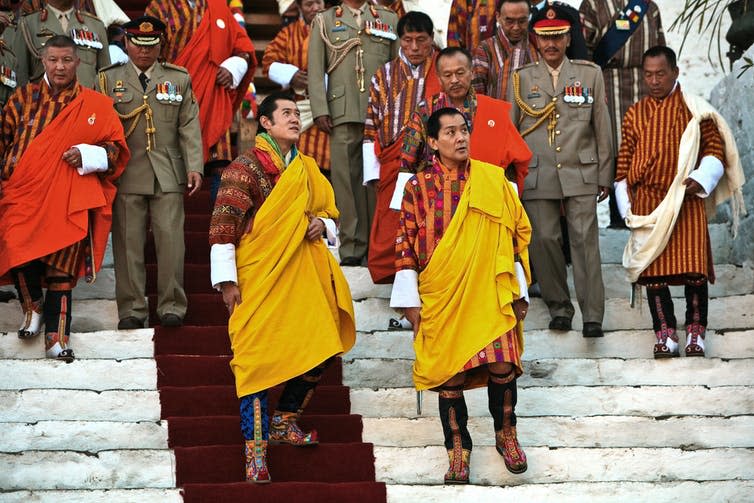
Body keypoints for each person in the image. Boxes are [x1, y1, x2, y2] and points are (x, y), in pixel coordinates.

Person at [209, 92, 355, 483]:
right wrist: (227, 282)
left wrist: (323, 226)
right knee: (255, 363)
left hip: (301, 275)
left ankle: (285, 420)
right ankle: (254, 452)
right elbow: (224, 224)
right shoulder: (244, 168)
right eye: (285, 113)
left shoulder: (306, 168)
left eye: (296, 113)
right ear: (266, 124)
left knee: (322, 347)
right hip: (258, 276)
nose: (294, 118)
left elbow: (329, 211)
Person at [391, 107, 531, 482]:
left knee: (502, 363)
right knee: (449, 376)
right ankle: (457, 449)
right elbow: (404, 242)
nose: (461, 137)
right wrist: (409, 301)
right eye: (450, 132)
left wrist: (518, 288)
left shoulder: (493, 179)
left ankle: (507, 435)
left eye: (464, 130)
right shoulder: (415, 186)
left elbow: (514, 236)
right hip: (440, 292)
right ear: (433, 143)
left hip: (489, 289)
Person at [0, 35, 129, 361]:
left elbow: (116, 151)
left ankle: (57, 339)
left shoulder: (95, 105)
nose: (60, 66)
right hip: (22, 195)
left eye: (66, 60)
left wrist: (89, 154)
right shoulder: (21, 98)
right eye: (54, 60)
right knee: (17, 248)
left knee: (61, 269)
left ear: (78, 62)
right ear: (43, 61)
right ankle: (33, 307)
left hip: (69, 197)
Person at [615, 46, 745, 358]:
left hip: (685, 200)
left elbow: (714, 149)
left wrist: (701, 177)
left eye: (661, 73)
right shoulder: (634, 114)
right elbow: (624, 162)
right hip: (648, 203)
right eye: (648, 74)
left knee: (694, 270)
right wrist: (626, 206)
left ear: (675, 72)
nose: (654, 80)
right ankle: (666, 333)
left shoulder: (696, 110)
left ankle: (696, 332)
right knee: (653, 273)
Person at [509, 3, 612, 337]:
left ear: (569, 38)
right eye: (544, 37)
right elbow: (510, 133)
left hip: (581, 171)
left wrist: (605, 174)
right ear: (535, 40)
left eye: (558, 37)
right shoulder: (521, 79)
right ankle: (559, 307)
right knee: (544, 241)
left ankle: (593, 314)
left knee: (585, 241)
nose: (551, 44)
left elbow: (603, 127)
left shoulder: (589, 74)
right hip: (538, 173)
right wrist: (510, 177)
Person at [99, 16, 203, 329]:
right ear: (127, 43)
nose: (145, 51)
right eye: (139, 45)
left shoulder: (178, 78)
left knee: (171, 242)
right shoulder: (107, 79)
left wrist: (195, 165)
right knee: (128, 243)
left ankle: (172, 306)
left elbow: (188, 125)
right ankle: (132, 309)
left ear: (160, 45)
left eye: (152, 45)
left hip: (168, 170)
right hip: (126, 171)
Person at [308, 0, 398, 266]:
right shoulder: (324, 21)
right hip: (341, 110)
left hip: (380, 112)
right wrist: (320, 109)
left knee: (376, 180)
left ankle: (377, 247)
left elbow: (396, 67)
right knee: (346, 181)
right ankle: (351, 247)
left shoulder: (388, 18)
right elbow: (315, 70)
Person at [144, 0, 256, 201]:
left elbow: (243, 47)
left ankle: (222, 226)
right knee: (169, 165)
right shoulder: (161, 5)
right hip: (171, 96)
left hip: (213, 96)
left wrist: (234, 66)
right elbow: (145, 47)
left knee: (221, 167)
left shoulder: (218, 5)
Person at [397, 46, 531, 203]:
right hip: (438, 199)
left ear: (471, 73)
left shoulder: (493, 110)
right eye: (447, 75)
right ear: (439, 78)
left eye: (460, 73)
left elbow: (514, 162)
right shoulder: (424, 111)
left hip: (486, 197)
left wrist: (509, 199)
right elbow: (407, 161)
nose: (454, 80)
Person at [363, 10, 439, 284]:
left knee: (430, 220)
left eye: (421, 39)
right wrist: (372, 172)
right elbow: (371, 122)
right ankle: (397, 279)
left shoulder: (443, 70)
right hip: (394, 160)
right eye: (408, 40)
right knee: (392, 221)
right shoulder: (384, 74)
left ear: (432, 39)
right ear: (400, 41)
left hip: (434, 159)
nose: (415, 47)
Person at [579, 0, 665, 228]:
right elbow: (581, 50)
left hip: (645, 84)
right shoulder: (593, 6)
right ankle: (618, 215)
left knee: (648, 146)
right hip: (608, 83)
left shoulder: (649, 7)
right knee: (613, 146)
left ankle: (649, 207)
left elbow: (661, 48)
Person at [262, 0, 330, 171]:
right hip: (301, 108)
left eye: (319, 3)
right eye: (309, 4)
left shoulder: (338, 30)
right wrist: (292, 76)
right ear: (299, 7)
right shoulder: (288, 33)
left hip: (332, 107)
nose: (315, 8)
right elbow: (268, 62)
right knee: (301, 166)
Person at [14, 0, 110, 89]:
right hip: (45, 104)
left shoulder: (95, 25)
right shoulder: (28, 23)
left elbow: (106, 76)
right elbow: (20, 76)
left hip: (86, 102)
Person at [471, 0, 538, 100]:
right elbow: (477, 95)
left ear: (529, 17)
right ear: (498, 17)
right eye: (510, 21)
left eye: (522, 21)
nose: (516, 27)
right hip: (494, 114)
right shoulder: (485, 49)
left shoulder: (538, 46)